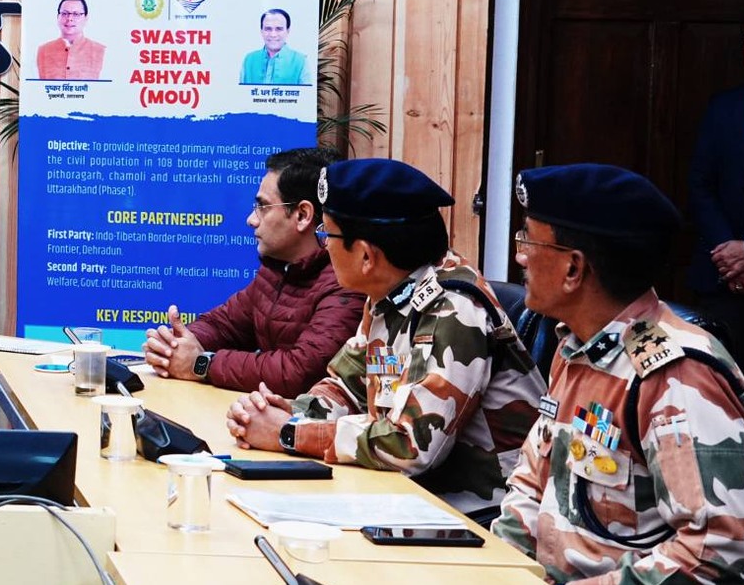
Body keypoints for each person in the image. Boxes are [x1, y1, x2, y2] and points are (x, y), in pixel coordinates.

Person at [492, 164, 744, 585]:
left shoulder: (676, 377)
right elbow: (531, 482)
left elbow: (717, 555)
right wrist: (504, 573)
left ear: (574, 269)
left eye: (528, 240)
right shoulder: (576, 347)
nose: (519, 256)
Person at [225, 158, 544, 507]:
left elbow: (410, 445)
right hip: (407, 497)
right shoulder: (389, 292)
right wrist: (283, 413)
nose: (324, 246)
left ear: (366, 256)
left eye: (327, 234)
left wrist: (290, 433)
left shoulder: (453, 309)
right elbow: (346, 385)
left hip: (476, 513)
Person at [143, 148, 363, 396]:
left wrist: (201, 364)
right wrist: (175, 345)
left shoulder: (347, 282)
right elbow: (224, 324)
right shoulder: (278, 270)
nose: (251, 219)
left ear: (302, 215)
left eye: (263, 207)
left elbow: (299, 372)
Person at [688, 4, 744, 398]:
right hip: (723, 284)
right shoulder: (724, 107)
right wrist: (731, 258)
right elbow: (700, 186)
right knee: (720, 392)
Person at [34, 0, 105, 80]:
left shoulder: (101, 51)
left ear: (86, 18)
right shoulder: (43, 50)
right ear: (58, 17)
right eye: (64, 13)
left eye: (76, 14)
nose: (69, 18)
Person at [239, 8, 308, 85]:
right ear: (261, 31)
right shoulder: (249, 60)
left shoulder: (300, 61)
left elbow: (306, 92)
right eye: (268, 29)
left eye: (279, 29)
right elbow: (241, 91)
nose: (273, 35)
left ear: (287, 31)